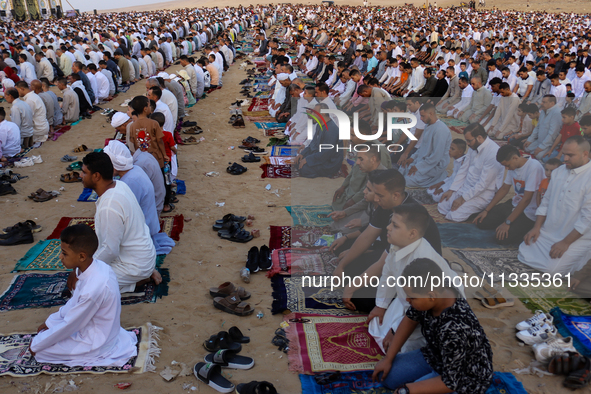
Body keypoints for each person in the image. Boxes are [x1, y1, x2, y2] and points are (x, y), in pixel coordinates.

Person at [372, 258, 493, 394]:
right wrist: (388, 358)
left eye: (412, 297)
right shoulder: (435, 291)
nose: (407, 300)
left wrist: (407, 390)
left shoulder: (455, 328)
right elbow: (410, 319)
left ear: (431, 296)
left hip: (464, 376)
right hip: (436, 355)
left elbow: (451, 382)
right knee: (388, 377)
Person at [30, 224, 138, 367]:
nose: (60, 257)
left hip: (97, 341)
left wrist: (37, 345)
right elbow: (74, 303)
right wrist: (51, 322)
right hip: (98, 328)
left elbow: (71, 324)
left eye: (64, 253)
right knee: (46, 335)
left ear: (81, 256)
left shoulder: (94, 288)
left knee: (41, 352)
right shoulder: (97, 266)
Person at [366, 204, 461, 354]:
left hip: (429, 309)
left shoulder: (423, 260)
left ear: (412, 233)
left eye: (395, 225)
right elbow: (388, 275)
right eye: (391, 222)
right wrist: (381, 305)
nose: (388, 227)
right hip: (410, 299)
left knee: (399, 349)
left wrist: (396, 331)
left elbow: (422, 307)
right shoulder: (398, 245)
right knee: (376, 326)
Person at [79, 152, 161, 292]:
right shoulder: (119, 185)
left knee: (81, 287)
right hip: (142, 257)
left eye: (84, 172)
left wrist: (85, 270)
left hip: (134, 265)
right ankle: (141, 275)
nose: (80, 175)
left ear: (96, 176)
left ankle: (139, 279)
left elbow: (110, 251)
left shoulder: (109, 206)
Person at [519, 136, 591, 275]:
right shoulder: (559, 171)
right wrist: (537, 227)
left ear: (585, 154)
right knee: (524, 251)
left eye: (570, 155)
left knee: (553, 270)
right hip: (550, 232)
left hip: (577, 237)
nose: (565, 159)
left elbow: (587, 219)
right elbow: (546, 202)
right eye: (564, 154)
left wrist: (565, 243)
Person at [103, 141, 175, 255]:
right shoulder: (135, 169)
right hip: (149, 220)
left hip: (143, 228)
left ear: (115, 163)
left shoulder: (130, 181)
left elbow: (126, 214)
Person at [473, 145, 545, 245]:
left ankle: (518, 225)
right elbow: (504, 189)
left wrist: (508, 222)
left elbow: (526, 200)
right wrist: (486, 210)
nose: (506, 169)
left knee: (501, 239)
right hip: (514, 204)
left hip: (528, 211)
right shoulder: (514, 166)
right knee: (481, 222)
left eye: (507, 165)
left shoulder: (534, 167)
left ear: (515, 158)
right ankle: (510, 220)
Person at [438, 123, 504, 222]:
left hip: (483, 193)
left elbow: (483, 184)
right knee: (442, 206)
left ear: (479, 137)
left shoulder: (493, 153)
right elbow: (464, 169)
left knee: (454, 216)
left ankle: (478, 210)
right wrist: (452, 190)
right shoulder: (473, 146)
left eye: (469, 141)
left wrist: (463, 198)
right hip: (466, 186)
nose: (467, 144)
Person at [401, 103, 452, 187]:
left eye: (423, 116)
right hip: (423, 161)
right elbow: (422, 147)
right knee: (402, 168)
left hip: (434, 165)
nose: (421, 118)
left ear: (431, 114)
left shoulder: (440, 130)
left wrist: (418, 167)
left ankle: (440, 177)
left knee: (407, 181)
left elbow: (436, 156)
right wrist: (412, 158)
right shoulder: (428, 125)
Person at [293, 103, 343, 178]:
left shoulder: (331, 129)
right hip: (321, 155)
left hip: (330, 162)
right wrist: (303, 154)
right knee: (298, 161)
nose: (312, 114)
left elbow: (326, 153)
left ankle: (326, 173)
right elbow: (313, 144)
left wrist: (308, 159)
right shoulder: (320, 125)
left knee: (304, 169)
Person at [524, 95, 562, 160]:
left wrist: (542, 147)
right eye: (542, 102)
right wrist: (530, 140)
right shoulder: (543, 111)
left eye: (544, 102)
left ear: (552, 103)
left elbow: (552, 134)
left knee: (539, 155)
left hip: (549, 144)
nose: (541, 103)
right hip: (540, 140)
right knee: (526, 147)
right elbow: (537, 127)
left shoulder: (557, 113)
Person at [15, 80, 49, 148]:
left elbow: (27, 120)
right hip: (42, 127)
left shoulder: (30, 100)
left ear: (22, 89)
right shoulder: (32, 96)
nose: (16, 93)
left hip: (38, 130)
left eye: (17, 90)